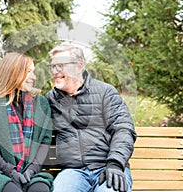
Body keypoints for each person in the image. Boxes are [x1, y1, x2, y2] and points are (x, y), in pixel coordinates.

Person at [45, 43, 137, 192]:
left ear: (79, 66)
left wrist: (115, 163)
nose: (55, 71)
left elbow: (124, 129)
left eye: (60, 66)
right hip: (73, 172)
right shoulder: (51, 99)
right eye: (53, 66)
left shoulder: (105, 92)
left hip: (108, 168)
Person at [0, 52, 54, 192]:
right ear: (14, 73)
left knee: (39, 189)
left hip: (31, 169)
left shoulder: (41, 104)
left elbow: (44, 142)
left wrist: (32, 170)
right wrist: (9, 171)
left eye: (33, 72)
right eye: (28, 72)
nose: (34, 77)